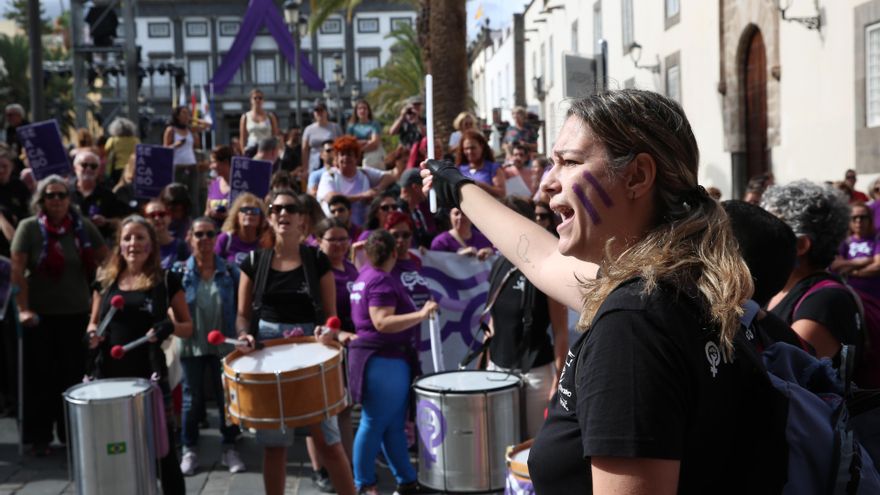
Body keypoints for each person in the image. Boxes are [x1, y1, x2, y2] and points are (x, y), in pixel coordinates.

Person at [421, 89, 785, 493]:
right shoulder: (682, 285)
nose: (546, 184)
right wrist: (458, 187)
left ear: (637, 177)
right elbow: (539, 259)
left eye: (569, 162)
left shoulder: (633, 328)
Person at [235, 189, 355, 495]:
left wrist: (328, 331)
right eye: (275, 208)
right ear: (269, 216)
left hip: (310, 354)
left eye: (290, 208)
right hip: (268, 354)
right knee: (274, 448)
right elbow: (241, 315)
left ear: (303, 219)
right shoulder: (254, 260)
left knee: (329, 442)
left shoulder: (317, 260)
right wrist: (244, 335)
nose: (282, 213)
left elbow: (331, 316)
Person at [86, 215, 192, 494]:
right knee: (115, 447)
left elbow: (188, 328)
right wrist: (92, 335)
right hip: (108, 375)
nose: (134, 243)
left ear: (151, 244)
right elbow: (93, 322)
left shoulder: (166, 280)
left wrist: (169, 326)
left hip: (150, 376)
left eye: (140, 237)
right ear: (119, 244)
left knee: (163, 449)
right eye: (128, 238)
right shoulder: (105, 280)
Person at [11, 175, 107, 456]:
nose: (56, 200)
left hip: (76, 313)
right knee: (39, 377)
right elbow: (18, 271)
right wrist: (23, 308)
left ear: (69, 199)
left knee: (72, 377)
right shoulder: (29, 228)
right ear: (41, 201)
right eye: (50, 196)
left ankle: (71, 435)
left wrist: (97, 302)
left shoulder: (82, 227)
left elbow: (107, 261)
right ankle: (38, 437)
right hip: (39, 315)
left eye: (61, 195)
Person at [348, 230, 438, 495]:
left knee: (392, 426)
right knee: (374, 423)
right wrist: (421, 314)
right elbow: (382, 322)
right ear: (393, 253)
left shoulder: (364, 274)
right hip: (384, 360)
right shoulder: (381, 281)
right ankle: (364, 484)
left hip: (381, 360)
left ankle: (407, 480)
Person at [484, 196, 568, 439]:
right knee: (501, 441)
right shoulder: (498, 265)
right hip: (498, 368)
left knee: (534, 445)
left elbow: (560, 331)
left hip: (536, 373)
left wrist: (557, 381)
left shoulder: (546, 268)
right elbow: (494, 319)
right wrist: (489, 360)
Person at [172, 217, 245, 475]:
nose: (204, 240)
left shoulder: (230, 271)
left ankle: (230, 447)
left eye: (209, 234)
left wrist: (243, 334)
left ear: (216, 238)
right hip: (191, 345)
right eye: (199, 234)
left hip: (223, 346)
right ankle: (189, 448)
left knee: (227, 398)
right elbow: (170, 307)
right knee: (192, 400)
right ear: (189, 238)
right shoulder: (178, 272)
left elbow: (241, 308)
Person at [764, 180, 864, 364]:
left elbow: (781, 370)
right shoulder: (776, 287)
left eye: (769, 228)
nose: (760, 235)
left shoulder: (824, 301)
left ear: (801, 245)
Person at [316, 135, 396, 226]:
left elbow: (390, 177)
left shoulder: (364, 172)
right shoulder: (330, 176)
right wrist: (363, 196)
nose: (345, 158)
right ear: (337, 158)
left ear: (356, 158)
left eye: (349, 154)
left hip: (362, 228)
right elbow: (333, 199)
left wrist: (376, 190)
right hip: (337, 228)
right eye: (342, 154)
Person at [71, 150, 130, 241]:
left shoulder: (107, 195)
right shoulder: (65, 192)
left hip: (99, 243)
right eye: (84, 165)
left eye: (93, 166)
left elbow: (121, 220)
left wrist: (106, 221)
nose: (89, 169)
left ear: (98, 170)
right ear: (75, 168)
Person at [385, 212, 432, 309]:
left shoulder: (417, 258)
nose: (400, 240)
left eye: (405, 235)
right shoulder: (383, 262)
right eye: (395, 235)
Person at [832, 202, 880, 295]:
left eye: (863, 217)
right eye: (854, 217)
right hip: (851, 295)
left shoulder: (877, 240)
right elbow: (836, 266)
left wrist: (852, 272)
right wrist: (864, 261)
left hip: (875, 297)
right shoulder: (844, 242)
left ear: (870, 219)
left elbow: (878, 266)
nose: (858, 221)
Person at [163, 106, 202, 209]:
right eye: (184, 113)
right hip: (177, 166)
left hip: (192, 165)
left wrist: (193, 119)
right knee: (177, 196)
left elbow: (208, 125)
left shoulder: (190, 130)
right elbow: (164, 149)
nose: (186, 116)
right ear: (177, 116)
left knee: (193, 197)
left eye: (188, 113)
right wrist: (175, 145)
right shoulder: (171, 130)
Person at [215, 192, 267, 266]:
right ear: (236, 216)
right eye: (244, 210)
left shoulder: (265, 243)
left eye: (255, 211)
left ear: (261, 218)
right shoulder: (225, 239)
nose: (249, 213)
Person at [457, 130, 505, 198]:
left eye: (473, 148)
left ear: (481, 146)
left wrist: (480, 185)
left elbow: (502, 193)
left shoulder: (493, 168)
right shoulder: (459, 169)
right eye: (466, 148)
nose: (469, 151)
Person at [144, 199, 190, 269]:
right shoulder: (141, 247)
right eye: (152, 215)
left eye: (161, 214)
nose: (157, 218)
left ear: (169, 217)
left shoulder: (181, 247)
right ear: (145, 220)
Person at [398, 169, 436, 248]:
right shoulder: (396, 212)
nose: (427, 190)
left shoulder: (417, 213)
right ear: (415, 187)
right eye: (425, 186)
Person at [302, 102, 343, 172]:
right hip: (314, 164)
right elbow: (304, 150)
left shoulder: (335, 127)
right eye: (317, 111)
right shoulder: (308, 129)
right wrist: (305, 168)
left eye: (321, 110)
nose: (319, 113)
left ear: (326, 112)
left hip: (331, 163)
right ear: (314, 114)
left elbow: (341, 146)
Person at [346, 99, 384, 169]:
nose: (362, 111)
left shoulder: (374, 124)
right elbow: (349, 142)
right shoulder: (351, 126)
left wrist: (360, 148)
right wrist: (366, 141)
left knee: (368, 164)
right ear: (356, 111)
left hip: (371, 151)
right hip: (355, 153)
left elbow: (375, 143)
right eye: (360, 108)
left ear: (368, 111)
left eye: (365, 108)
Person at [240, 89, 279, 157]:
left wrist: (275, 152)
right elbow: (243, 138)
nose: (257, 100)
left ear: (263, 100)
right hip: (251, 150)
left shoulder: (270, 116)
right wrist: (244, 152)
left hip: (267, 151)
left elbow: (275, 136)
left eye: (260, 98)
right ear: (251, 100)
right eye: (255, 98)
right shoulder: (245, 117)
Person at [104, 117, 140, 184]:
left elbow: (105, 152)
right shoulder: (136, 140)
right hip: (132, 169)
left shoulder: (112, 140)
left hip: (117, 168)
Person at [205, 145, 233, 226]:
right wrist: (211, 213)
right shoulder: (213, 184)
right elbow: (206, 212)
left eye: (213, 162)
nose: (211, 166)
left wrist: (226, 216)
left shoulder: (239, 186)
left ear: (225, 162)